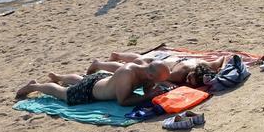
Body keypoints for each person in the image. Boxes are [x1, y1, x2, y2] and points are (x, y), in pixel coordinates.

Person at [15, 60, 171, 106]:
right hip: (92, 91)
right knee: (63, 94)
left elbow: (147, 89)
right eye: (160, 80)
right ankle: (34, 85)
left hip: (101, 80)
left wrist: (155, 92)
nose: (161, 83)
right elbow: (123, 101)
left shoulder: (146, 70)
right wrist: (147, 96)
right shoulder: (127, 73)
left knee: (81, 80)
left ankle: (59, 76)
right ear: (151, 75)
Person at [88, 51, 236, 88]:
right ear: (191, 73)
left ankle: (117, 55)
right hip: (161, 64)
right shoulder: (179, 74)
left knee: (140, 58)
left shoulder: (206, 66)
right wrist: (167, 84)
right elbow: (161, 79)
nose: (189, 83)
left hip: (169, 60)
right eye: (190, 79)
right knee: (130, 69)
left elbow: (222, 59)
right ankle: (98, 64)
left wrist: (220, 71)